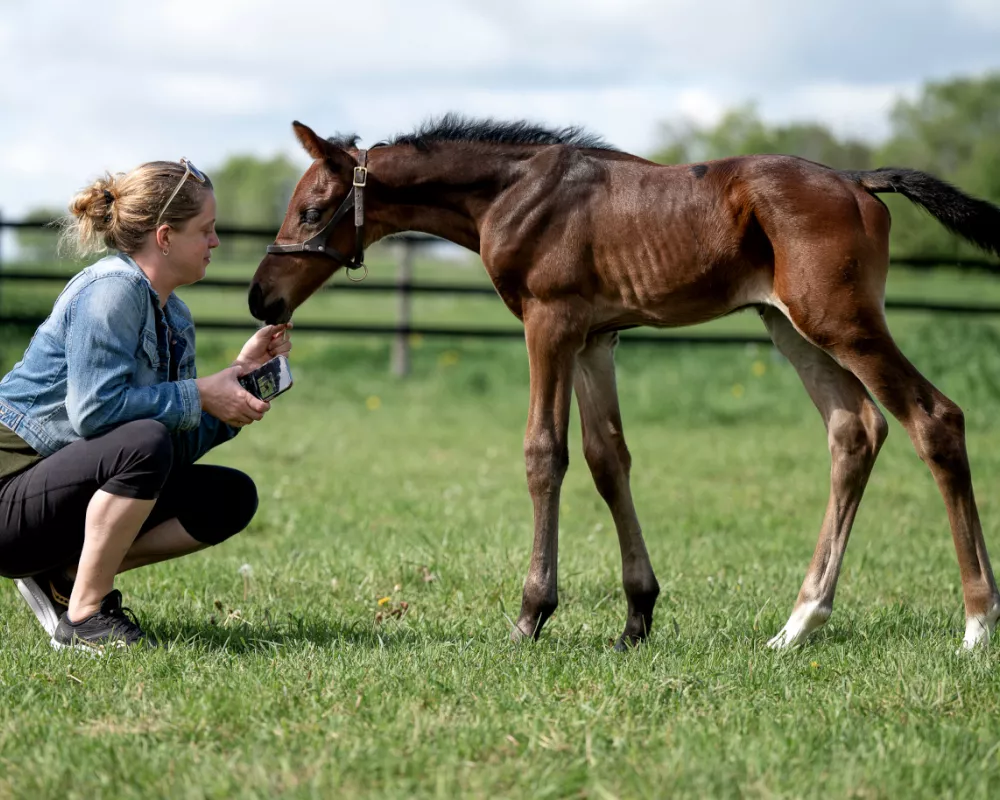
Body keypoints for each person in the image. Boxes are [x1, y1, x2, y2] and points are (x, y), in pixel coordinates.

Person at [0, 158, 291, 650]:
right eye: (206, 230)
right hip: (9, 496)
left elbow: (166, 449)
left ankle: (66, 575)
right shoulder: (110, 291)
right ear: (164, 237)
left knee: (229, 496)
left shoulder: (173, 314)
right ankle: (85, 618)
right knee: (144, 440)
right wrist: (199, 393)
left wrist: (232, 394)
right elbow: (96, 413)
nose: (215, 242)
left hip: (60, 495)